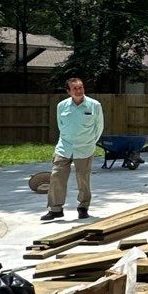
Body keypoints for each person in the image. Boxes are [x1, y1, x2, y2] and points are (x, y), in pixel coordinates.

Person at [41, 75, 104, 222]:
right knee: (57, 176)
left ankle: (83, 207)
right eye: (74, 88)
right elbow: (60, 125)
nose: (78, 90)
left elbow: (99, 127)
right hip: (64, 147)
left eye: (80, 87)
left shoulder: (95, 105)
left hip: (85, 148)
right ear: (68, 91)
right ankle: (55, 209)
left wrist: (90, 142)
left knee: (83, 179)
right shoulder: (61, 106)